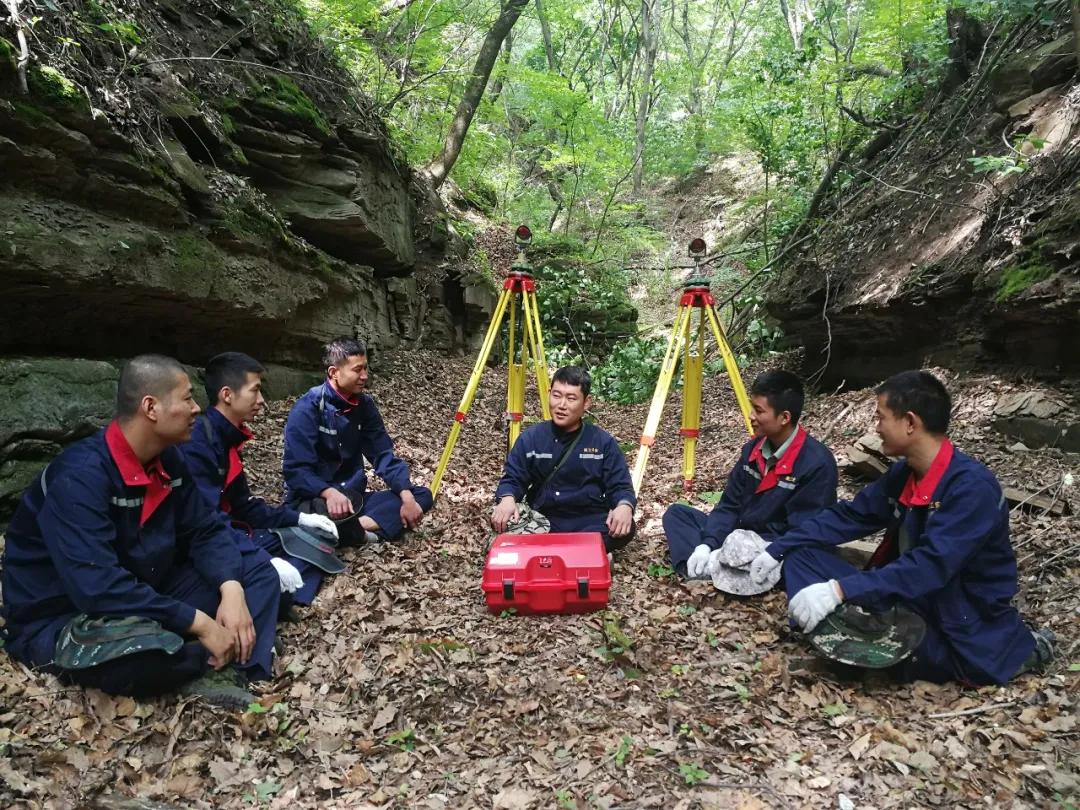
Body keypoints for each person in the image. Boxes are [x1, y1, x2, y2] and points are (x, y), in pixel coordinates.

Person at [0, 355, 280, 707]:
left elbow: (205, 529)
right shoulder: (80, 477)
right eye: (187, 398)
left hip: (148, 588)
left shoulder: (169, 458)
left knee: (256, 573)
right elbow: (97, 587)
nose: (197, 408)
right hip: (69, 614)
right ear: (151, 407)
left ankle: (237, 660)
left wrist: (232, 588)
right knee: (139, 651)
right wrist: (200, 623)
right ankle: (210, 653)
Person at [753, 370, 1054, 684]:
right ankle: (857, 637)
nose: (877, 428)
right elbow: (850, 517)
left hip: (953, 617)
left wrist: (839, 590)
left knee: (918, 658)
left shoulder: (971, 489)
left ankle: (1018, 651)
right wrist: (777, 548)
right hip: (903, 599)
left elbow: (928, 568)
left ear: (910, 423)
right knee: (802, 557)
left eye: (881, 417)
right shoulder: (905, 474)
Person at [182, 352, 342, 608]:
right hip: (212, 543)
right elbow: (205, 522)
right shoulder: (200, 442)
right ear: (227, 395)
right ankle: (274, 595)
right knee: (278, 564)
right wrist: (260, 558)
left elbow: (244, 506)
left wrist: (301, 519)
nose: (262, 401)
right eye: (255, 391)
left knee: (314, 539)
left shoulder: (227, 439)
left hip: (234, 531)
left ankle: (282, 592)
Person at [662, 370, 838, 580]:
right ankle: (697, 569)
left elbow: (803, 530)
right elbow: (729, 506)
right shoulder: (752, 451)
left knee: (801, 559)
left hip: (775, 547)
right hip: (738, 533)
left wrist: (750, 547)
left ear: (784, 417)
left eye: (758, 410)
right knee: (677, 514)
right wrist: (707, 545)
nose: (751, 416)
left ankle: (727, 570)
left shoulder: (816, 463)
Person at [283, 338, 433, 544]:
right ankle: (356, 531)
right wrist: (328, 492)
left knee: (420, 496)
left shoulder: (364, 405)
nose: (364, 376)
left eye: (365, 369)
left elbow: (382, 454)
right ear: (333, 373)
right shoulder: (307, 408)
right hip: (316, 499)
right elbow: (296, 471)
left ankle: (354, 529)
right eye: (357, 370)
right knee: (316, 515)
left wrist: (407, 497)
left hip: (354, 498)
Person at [491, 366, 636, 553]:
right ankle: (591, 553)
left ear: (586, 402)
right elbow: (513, 479)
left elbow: (621, 486)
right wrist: (507, 499)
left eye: (571, 398)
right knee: (502, 520)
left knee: (626, 526)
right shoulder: (531, 438)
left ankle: (559, 551)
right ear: (549, 394)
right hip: (543, 520)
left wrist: (624, 506)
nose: (562, 405)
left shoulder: (602, 442)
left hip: (589, 521)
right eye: (557, 395)